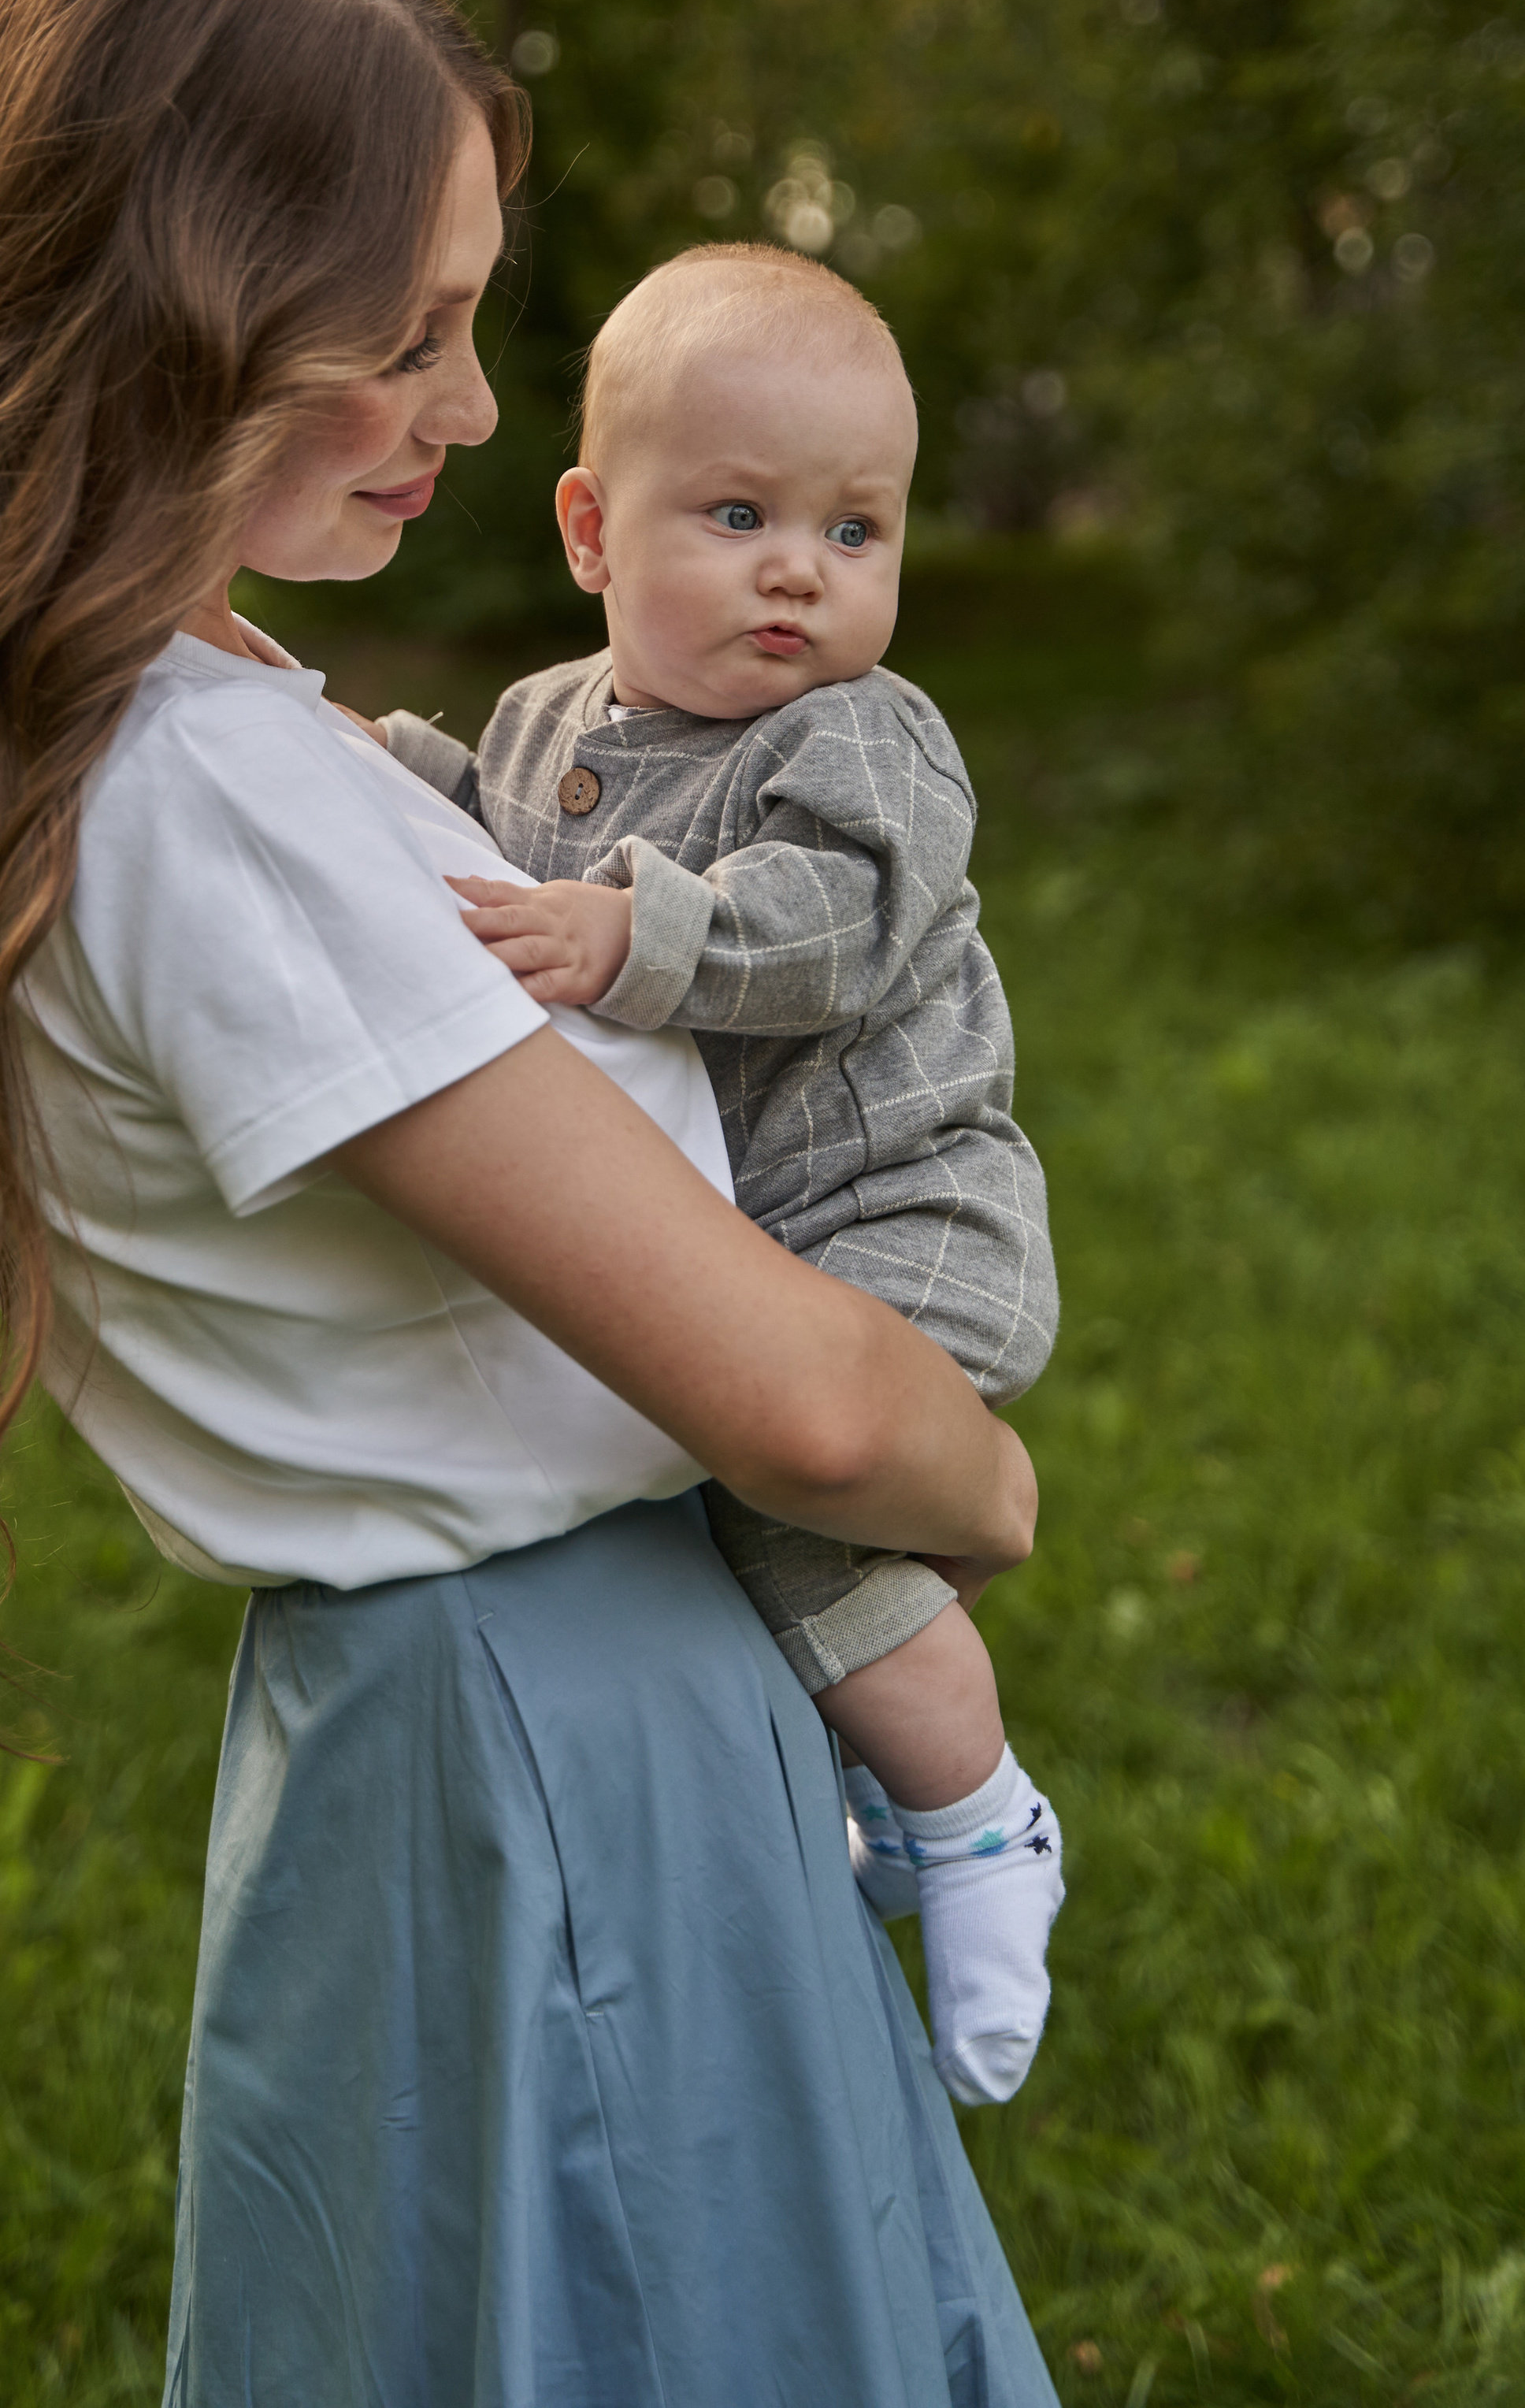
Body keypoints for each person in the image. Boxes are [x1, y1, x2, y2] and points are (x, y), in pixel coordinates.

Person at [0, 0, 1058, 2406]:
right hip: (557, 1736)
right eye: (409, 334)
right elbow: (807, 1411)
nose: (469, 410)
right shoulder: (201, 798)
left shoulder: (171, 721)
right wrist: (976, 1486)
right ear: (177, 314)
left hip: (505, 1716)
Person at [377, 243, 1064, 2110]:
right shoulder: (547, 719)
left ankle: (978, 1819)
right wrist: (377, 771)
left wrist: (633, 934)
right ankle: (872, 1776)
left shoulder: (865, 736)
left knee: (776, 1501)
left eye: (854, 530)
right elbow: (491, 846)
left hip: (898, 1222)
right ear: (591, 531)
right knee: (720, 1522)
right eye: (740, 514)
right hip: (754, 1233)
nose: (798, 572)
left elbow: (830, 924)